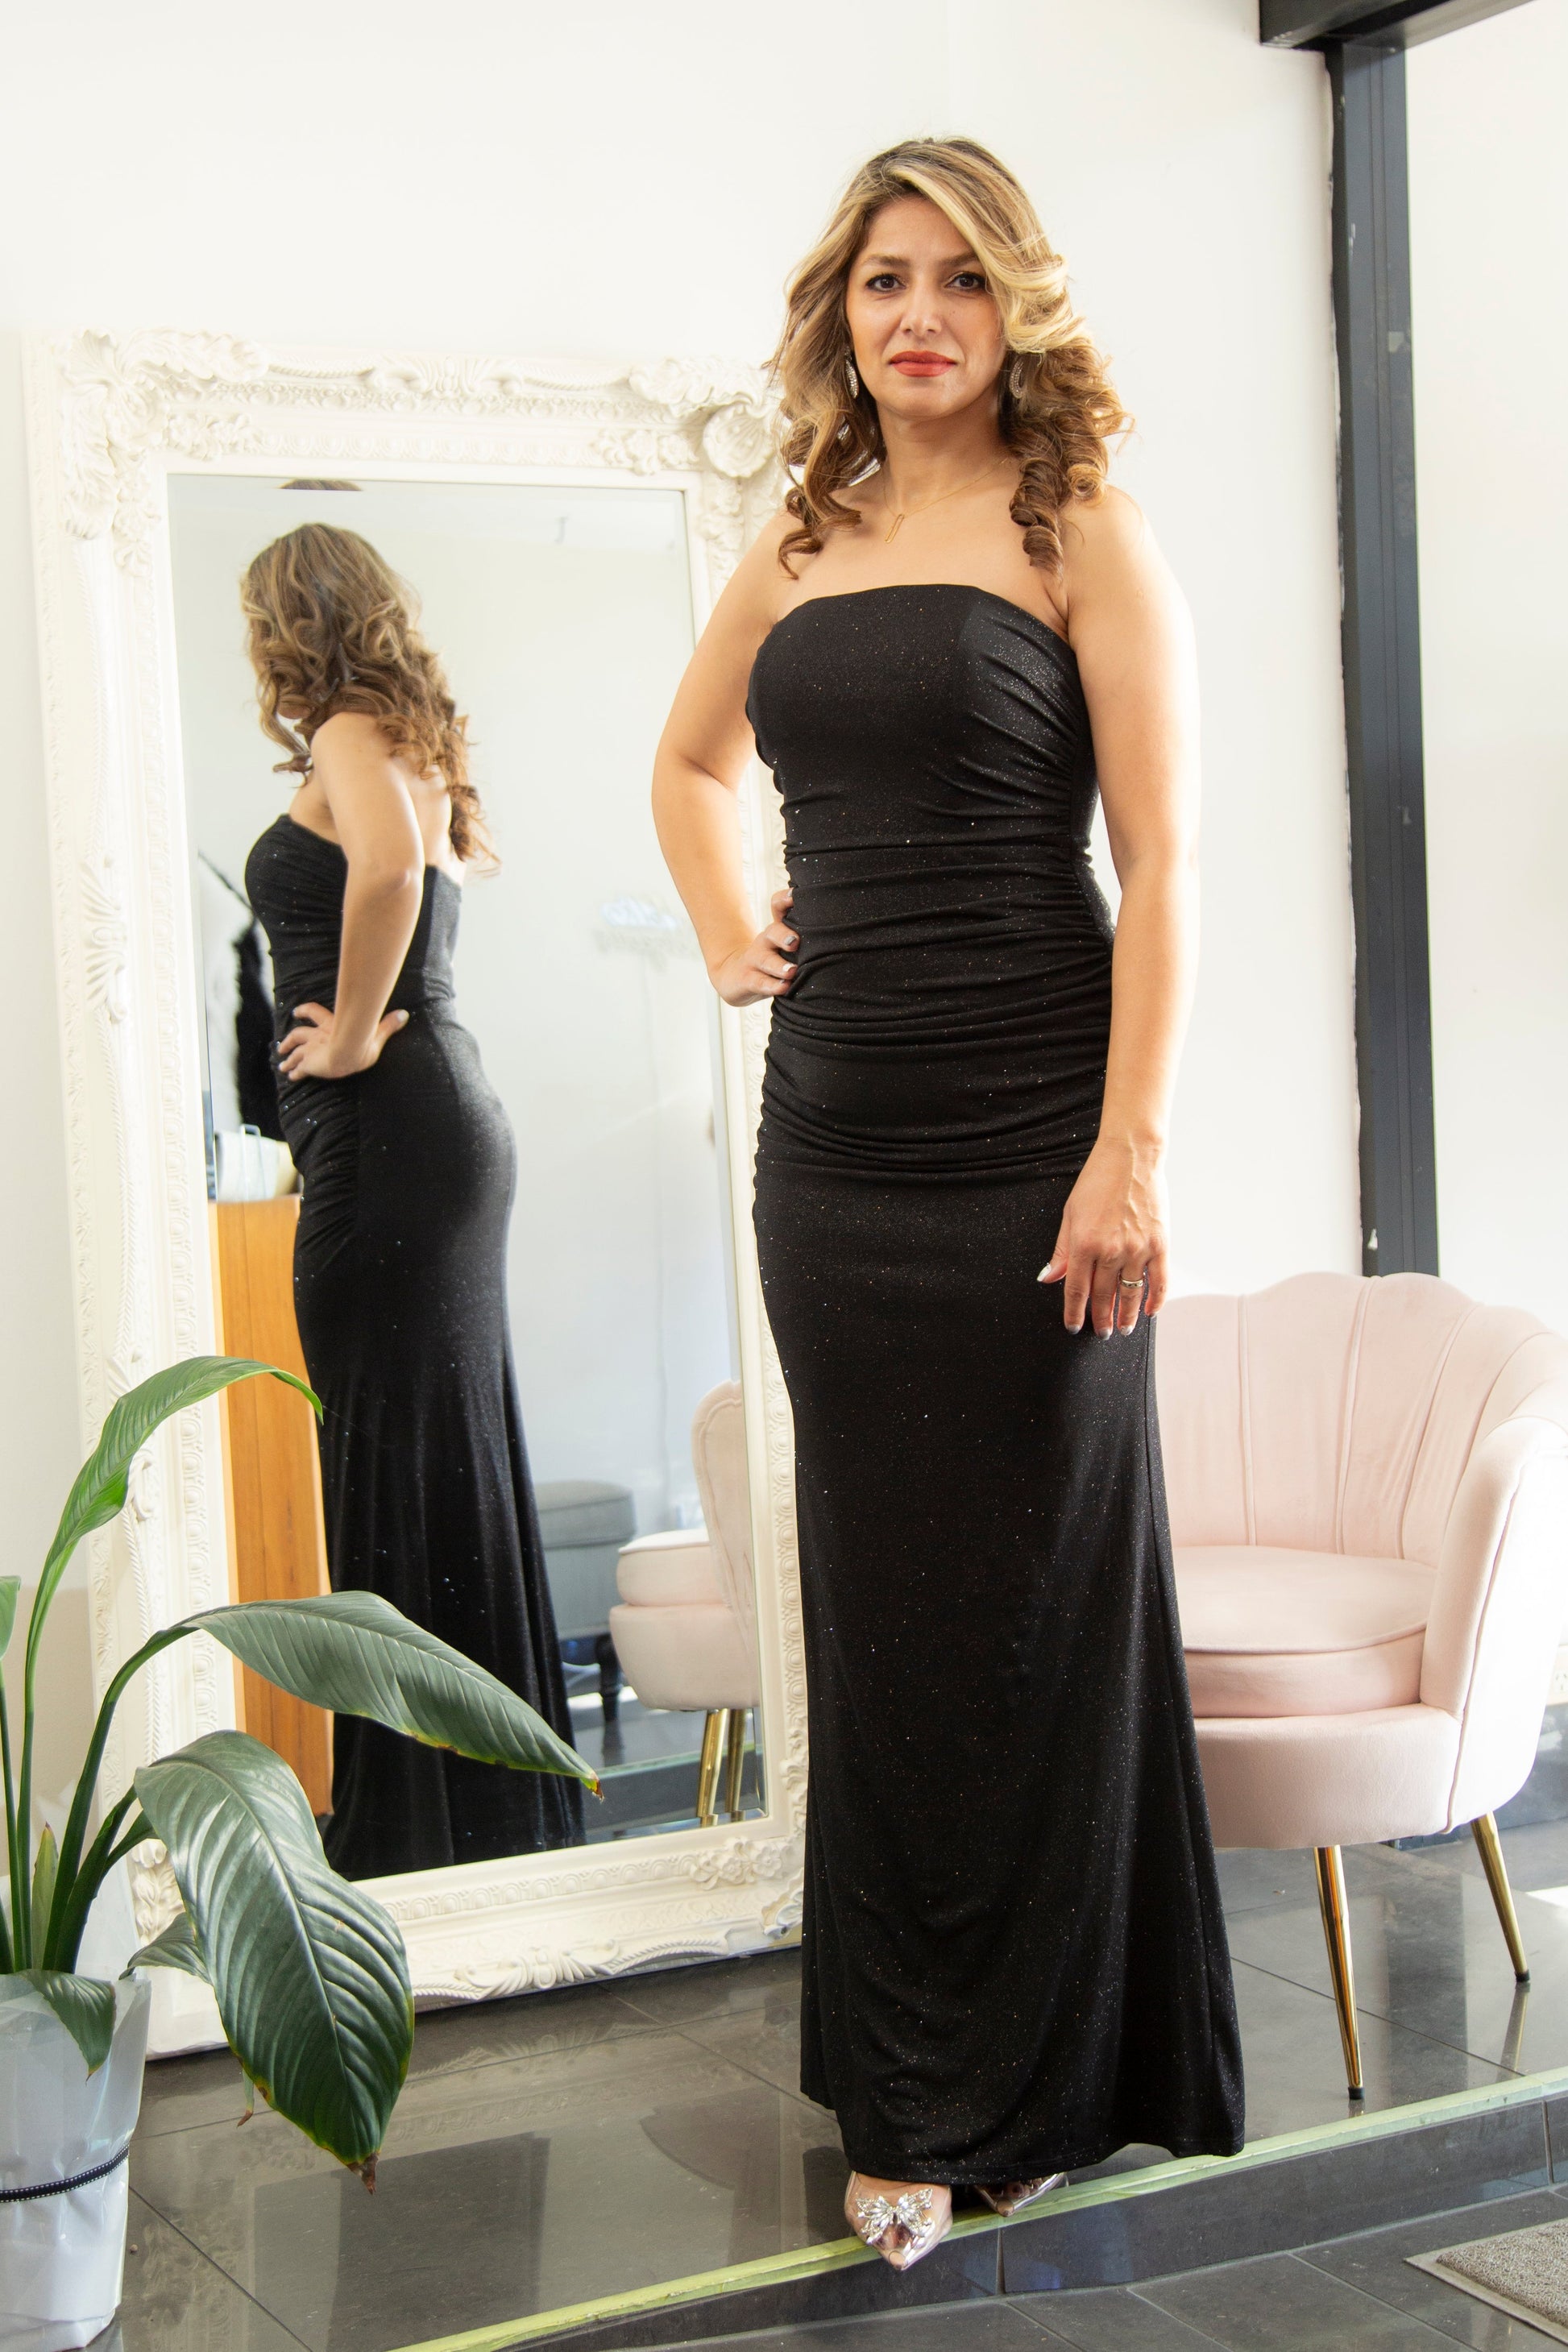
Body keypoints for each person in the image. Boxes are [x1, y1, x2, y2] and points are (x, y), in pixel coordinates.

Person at [652, 139, 1243, 2268]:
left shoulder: (1086, 528)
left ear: (1020, 314)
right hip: (835, 1152)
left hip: (1037, 1132)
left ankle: (1055, 2084)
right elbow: (688, 763)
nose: (920, 316)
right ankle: (910, 2091)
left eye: (962, 284)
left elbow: (1166, 865)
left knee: (1038, 1610)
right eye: (886, 280)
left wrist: (1131, 1149)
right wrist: (735, 923)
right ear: (843, 310)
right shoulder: (799, 535)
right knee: (889, 1624)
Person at [240, 522, 584, 1878]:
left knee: (386, 1450)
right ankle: (471, 1812)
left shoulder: (347, 726)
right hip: (425, 1129)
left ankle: (419, 1827)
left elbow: (384, 871)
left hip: (394, 1129)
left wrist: (347, 1035)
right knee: (433, 1452)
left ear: (290, 621)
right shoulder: (402, 731)